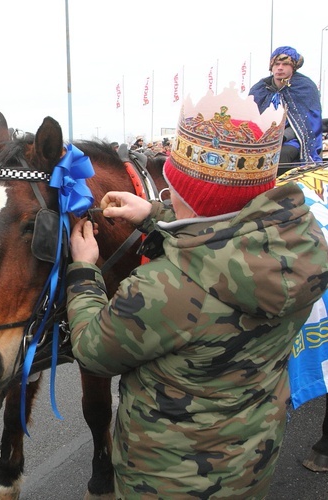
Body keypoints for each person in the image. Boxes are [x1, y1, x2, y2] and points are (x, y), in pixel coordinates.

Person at [66, 88, 328, 498]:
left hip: (165, 479)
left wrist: (83, 271)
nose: (166, 194)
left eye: (172, 190)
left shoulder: (162, 289)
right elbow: (221, 231)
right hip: (251, 462)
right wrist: (155, 214)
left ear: (187, 196)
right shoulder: (304, 247)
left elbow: (91, 349)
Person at [250, 46, 323, 167]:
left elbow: (308, 123)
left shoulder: (305, 86)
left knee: (281, 155)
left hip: (294, 139)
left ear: (293, 67)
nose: (280, 68)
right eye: (277, 64)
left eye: (285, 64)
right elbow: (250, 116)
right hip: (262, 139)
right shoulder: (260, 88)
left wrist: (282, 136)